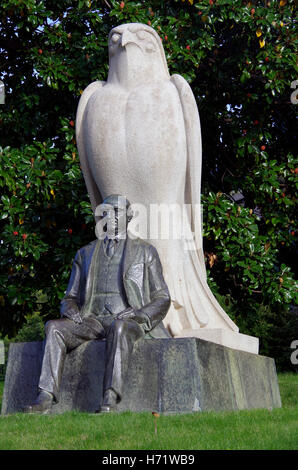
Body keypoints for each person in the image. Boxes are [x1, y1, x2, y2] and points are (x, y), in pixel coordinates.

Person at [25, 194, 171, 413]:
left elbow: (162, 297)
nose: (110, 216)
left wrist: (140, 314)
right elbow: (69, 297)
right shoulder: (84, 253)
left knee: (119, 327)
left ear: (129, 216)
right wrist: (71, 310)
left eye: (116, 211)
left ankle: (110, 397)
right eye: (106, 211)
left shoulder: (145, 251)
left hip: (126, 320)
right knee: (53, 327)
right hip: (90, 320)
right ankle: (45, 396)